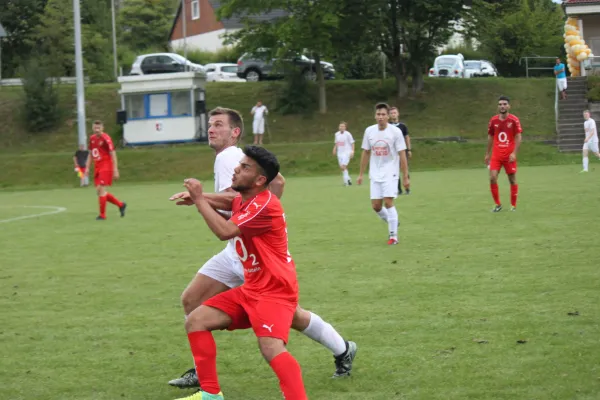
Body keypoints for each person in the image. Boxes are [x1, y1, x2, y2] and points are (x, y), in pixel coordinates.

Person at [168, 107, 357, 390]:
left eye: (218, 125)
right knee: (191, 301)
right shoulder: (229, 159)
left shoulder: (233, 156)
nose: (211, 129)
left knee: (286, 319)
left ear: (235, 132)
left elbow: (271, 185)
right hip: (237, 250)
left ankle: (342, 349)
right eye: (210, 124)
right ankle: (202, 374)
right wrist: (210, 200)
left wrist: (258, 212)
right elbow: (236, 200)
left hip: (256, 257)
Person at [173, 146, 308, 400]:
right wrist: (202, 199)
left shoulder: (264, 205)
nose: (236, 168)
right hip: (252, 289)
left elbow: (224, 231)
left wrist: (201, 199)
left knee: (270, 347)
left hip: (275, 292)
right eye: (240, 164)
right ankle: (211, 395)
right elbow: (229, 201)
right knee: (196, 320)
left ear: (259, 180)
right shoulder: (246, 199)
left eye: (245, 167)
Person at [357, 103, 409, 245]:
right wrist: (361, 173)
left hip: (391, 171)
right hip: (375, 172)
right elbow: (366, 152)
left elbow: (402, 153)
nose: (380, 117)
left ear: (388, 116)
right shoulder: (369, 131)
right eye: (378, 114)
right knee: (376, 206)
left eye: (383, 114)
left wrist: (405, 176)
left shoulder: (395, 132)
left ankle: (393, 236)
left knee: (388, 202)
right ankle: (394, 221)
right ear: (375, 116)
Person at [485, 96, 522, 212]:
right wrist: (487, 154)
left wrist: (514, 153)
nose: (502, 106)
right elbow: (490, 136)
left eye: (505, 104)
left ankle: (513, 206)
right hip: (496, 155)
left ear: (509, 106)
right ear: (498, 106)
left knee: (512, 179)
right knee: (492, 178)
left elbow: (518, 137)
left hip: (509, 155)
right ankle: (498, 204)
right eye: (500, 104)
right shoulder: (493, 120)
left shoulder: (514, 120)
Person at [85, 120, 126, 220]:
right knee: (99, 191)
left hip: (106, 166)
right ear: (92, 128)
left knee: (101, 190)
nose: (97, 130)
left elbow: (113, 153)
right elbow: (90, 154)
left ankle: (102, 215)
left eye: (99, 128)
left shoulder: (106, 138)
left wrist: (115, 169)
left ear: (102, 128)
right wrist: (87, 168)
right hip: (97, 166)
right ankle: (120, 205)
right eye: (95, 128)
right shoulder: (92, 138)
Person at [389, 107, 411, 195]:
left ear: (398, 114)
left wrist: (409, 149)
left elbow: (407, 137)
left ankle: (407, 188)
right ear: (389, 115)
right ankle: (398, 189)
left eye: (395, 112)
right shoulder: (388, 126)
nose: (393, 114)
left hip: (402, 151)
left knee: (405, 169)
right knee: (394, 171)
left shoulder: (403, 126)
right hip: (392, 152)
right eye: (391, 113)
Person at [332, 121, 355, 186]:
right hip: (340, 153)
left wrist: (352, 151)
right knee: (342, 168)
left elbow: (352, 143)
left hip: (347, 152)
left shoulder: (348, 134)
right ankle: (348, 180)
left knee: (343, 166)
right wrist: (334, 149)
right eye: (340, 126)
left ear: (345, 127)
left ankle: (347, 182)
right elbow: (336, 143)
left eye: (343, 126)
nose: (341, 127)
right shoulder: (336, 134)